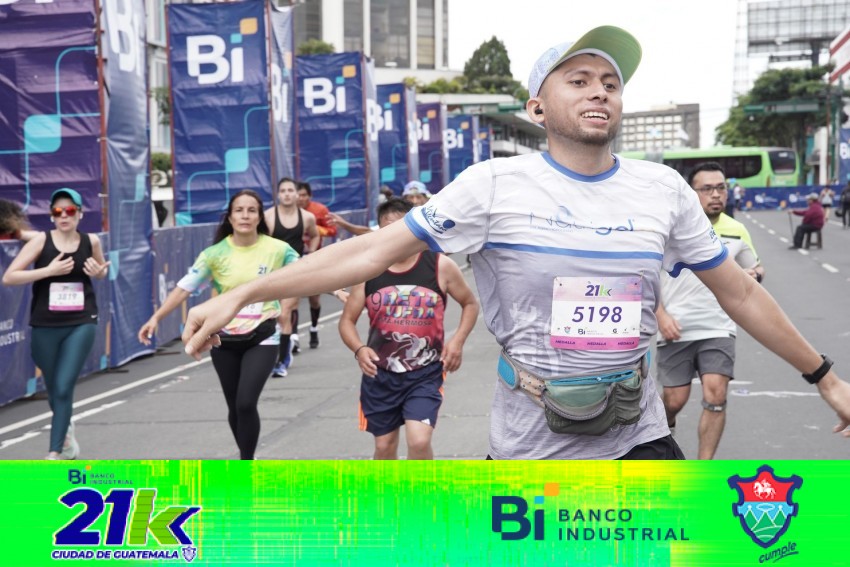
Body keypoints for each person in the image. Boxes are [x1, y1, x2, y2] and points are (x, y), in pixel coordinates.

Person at [182, 26, 850, 460]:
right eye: (578, 81)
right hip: (533, 448)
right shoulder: (492, 186)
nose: (599, 93)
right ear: (537, 107)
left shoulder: (662, 189)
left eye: (610, 84)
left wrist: (825, 376)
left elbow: (739, 294)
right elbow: (366, 253)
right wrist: (246, 291)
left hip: (639, 435)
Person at [139, 190, 298, 459]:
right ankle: (246, 458)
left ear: (260, 217)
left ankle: (245, 465)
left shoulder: (277, 249)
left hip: (263, 335)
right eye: (239, 210)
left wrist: (336, 289)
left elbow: (309, 271)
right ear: (230, 217)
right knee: (234, 406)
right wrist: (156, 317)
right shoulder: (214, 254)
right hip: (223, 339)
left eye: (251, 210)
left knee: (246, 402)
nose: (245, 216)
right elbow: (184, 288)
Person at [338, 199, 479, 459]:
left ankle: (418, 486)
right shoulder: (368, 272)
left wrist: (457, 341)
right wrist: (359, 349)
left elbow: (470, 303)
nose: (393, 237)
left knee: (419, 440)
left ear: (413, 228)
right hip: (380, 375)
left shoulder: (440, 266)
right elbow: (347, 321)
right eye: (386, 230)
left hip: (425, 373)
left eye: (399, 228)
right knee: (384, 447)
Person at [656, 162, 765, 459]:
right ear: (691, 193)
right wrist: (661, 315)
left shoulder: (737, 230)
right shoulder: (670, 228)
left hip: (718, 326)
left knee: (716, 393)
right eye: (706, 189)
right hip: (675, 326)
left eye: (720, 188)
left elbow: (755, 268)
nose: (715, 194)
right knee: (674, 400)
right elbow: (646, 278)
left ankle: (705, 469)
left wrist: (754, 275)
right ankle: (663, 428)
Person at [2, 188, 110, 459]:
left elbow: (101, 271)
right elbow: (9, 277)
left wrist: (100, 273)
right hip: (45, 324)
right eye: (58, 211)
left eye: (70, 210)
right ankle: (67, 433)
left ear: (79, 214)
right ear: (51, 216)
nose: (64, 216)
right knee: (53, 386)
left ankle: (54, 452)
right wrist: (48, 271)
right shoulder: (41, 241)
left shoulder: (91, 241)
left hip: (82, 321)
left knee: (63, 386)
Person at [264, 178, 320, 377]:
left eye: (290, 190)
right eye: (283, 191)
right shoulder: (268, 217)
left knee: (285, 312)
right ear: (278, 194)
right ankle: (276, 350)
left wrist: (310, 254)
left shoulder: (307, 217)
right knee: (272, 315)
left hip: (295, 271)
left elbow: (315, 235)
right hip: (272, 272)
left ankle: (282, 361)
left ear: (297, 194)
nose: (287, 194)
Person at [296, 181, 338, 349]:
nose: (300, 198)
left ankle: (314, 328)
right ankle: (292, 336)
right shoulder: (288, 212)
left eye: (304, 195)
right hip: (293, 259)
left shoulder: (319, 210)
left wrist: (316, 229)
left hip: (314, 258)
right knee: (291, 300)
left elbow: (333, 230)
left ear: (309, 196)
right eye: (298, 195)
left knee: (314, 299)